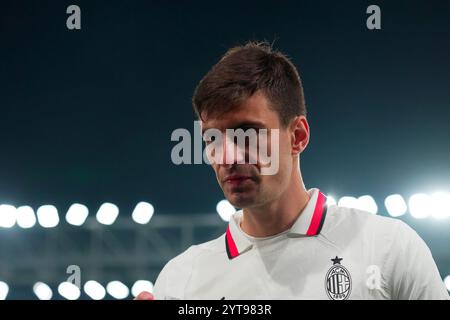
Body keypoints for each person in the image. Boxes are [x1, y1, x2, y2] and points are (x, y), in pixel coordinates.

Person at [136, 42, 449, 300]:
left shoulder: (389, 249)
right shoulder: (180, 280)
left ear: (297, 136)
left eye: (248, 134)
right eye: (212, 139)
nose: (228, 156)